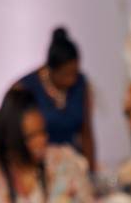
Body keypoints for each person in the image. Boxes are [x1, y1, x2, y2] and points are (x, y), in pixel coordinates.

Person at [0, 88, 93, 202]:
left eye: (42, 132)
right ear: (11, 139)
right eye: (31, 136)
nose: (41, 140)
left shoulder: (63, 162)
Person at [18, 27, 96, 169]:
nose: (72, 80)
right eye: (66, 74)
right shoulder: (26, 87)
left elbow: (86, 132)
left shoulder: (81, 84)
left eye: (75, 73)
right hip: (41, 165)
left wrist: (91, 170)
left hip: (72, 161)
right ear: (51, 69)